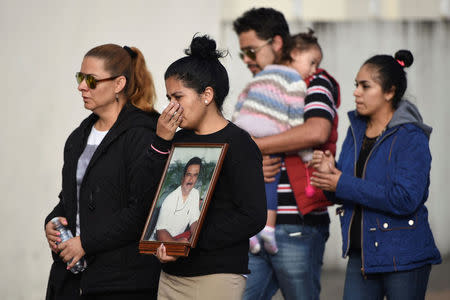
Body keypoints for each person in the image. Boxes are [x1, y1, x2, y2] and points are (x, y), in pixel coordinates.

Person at [310, 50, 441, 300]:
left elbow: (405, 198)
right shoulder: (356, 129)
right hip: (362, 255)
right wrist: (330, 174)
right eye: (356, 85)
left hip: (404, 256)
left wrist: (342, 181)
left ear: (389, 92)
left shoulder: (410, 136)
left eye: (365, 86)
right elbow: (345, 189)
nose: (356, 92)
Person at [147, 35, 266, 300]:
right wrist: (160, 142)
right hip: (170, 276)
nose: (171, 106)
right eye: (168, 97)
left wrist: (190, 239)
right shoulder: (176, 140)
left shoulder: (239, 144)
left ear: (207, 95)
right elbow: (151, 198)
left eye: (178, 96)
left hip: (216, 276)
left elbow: (253, 215)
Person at [233, 8, 340, 300]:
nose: (247, 60)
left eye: (251, 51)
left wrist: (255, 147)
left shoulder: (314, 80)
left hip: (297, 224)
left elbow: (316, 131)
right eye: (243, 53)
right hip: (256, 225)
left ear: (277, 43)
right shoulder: (256, 88)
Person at [44, 44, 162, 299]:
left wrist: (86, 243)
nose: (81, 86)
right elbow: (71, 198)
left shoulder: (142, 135)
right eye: (80, 77)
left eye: (91, 80)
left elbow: (143, 211)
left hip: (122, 281)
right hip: (73, 278)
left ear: (119, 83)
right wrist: (52, 221)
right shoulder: (78, 136)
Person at [232, 29, 326, 254]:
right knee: (269, 178)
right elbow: (296, 122)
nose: (314, 70)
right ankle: (267, 228)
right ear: (294, 53)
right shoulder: (296, 82)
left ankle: (251, 234)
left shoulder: (261, 75)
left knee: (251, 178)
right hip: (268, 131)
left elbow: (240, 103)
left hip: (245, 128)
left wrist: (239, 134)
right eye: (312, 63)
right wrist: (305, 154)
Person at [154, 157, 202, 242]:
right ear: (183, 177)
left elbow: (194, 220)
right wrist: (177, 244)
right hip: (163, 241)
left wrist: (195, 237)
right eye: (188, 174)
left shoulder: (195, 193)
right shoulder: (170, 199)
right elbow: (160, 231)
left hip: (181, 237)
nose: (191, 179)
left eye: (195, 175)